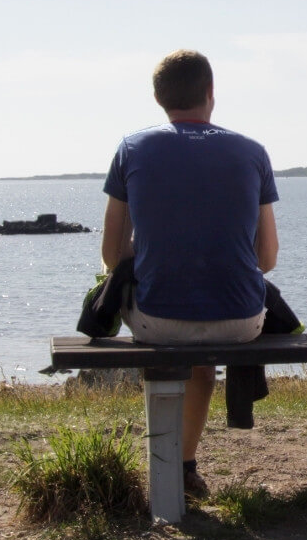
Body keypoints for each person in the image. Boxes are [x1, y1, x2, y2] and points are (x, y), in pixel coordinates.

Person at [101, 49, 279, 498]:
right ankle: (184, 468)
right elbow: (267, 259)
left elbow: (111, 255)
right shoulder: (252, 151)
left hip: (157, 319)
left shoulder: (132, 148)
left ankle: (171, 468)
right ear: (210, 93)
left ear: (159, 97)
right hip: (240, 321)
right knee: (203, 359)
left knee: (163, 316)